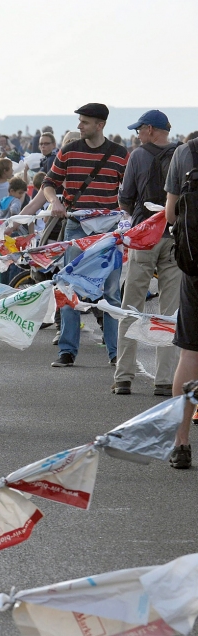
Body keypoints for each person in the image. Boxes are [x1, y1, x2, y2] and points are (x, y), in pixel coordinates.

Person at [44, 104, 129, 369]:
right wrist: (53, 202)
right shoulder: (69, 151)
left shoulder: (119, 154)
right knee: (71, 288)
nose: (79, 126)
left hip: (108, 232)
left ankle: (116, 354)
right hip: (76, 228)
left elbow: (128, 191)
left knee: (112, 293)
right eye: (80, 121)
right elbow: (49, 183)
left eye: (85, 122)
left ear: (100, 124)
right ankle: (68, 351)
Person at [114, 110, 182, 397]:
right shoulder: (183, 154)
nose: (137, 134)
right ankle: (165, 379)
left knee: (131, 305)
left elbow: (126, 197)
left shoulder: (139, 156)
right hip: (176, 235)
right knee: (171, 309)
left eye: (140, 129)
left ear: (151, 130)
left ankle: (123, 377)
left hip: (145, 236)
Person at [165, 135, 198, 469]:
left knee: (190, 354)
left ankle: (182, 443)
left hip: (195, 268)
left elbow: (171, 215)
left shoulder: (185, 152)